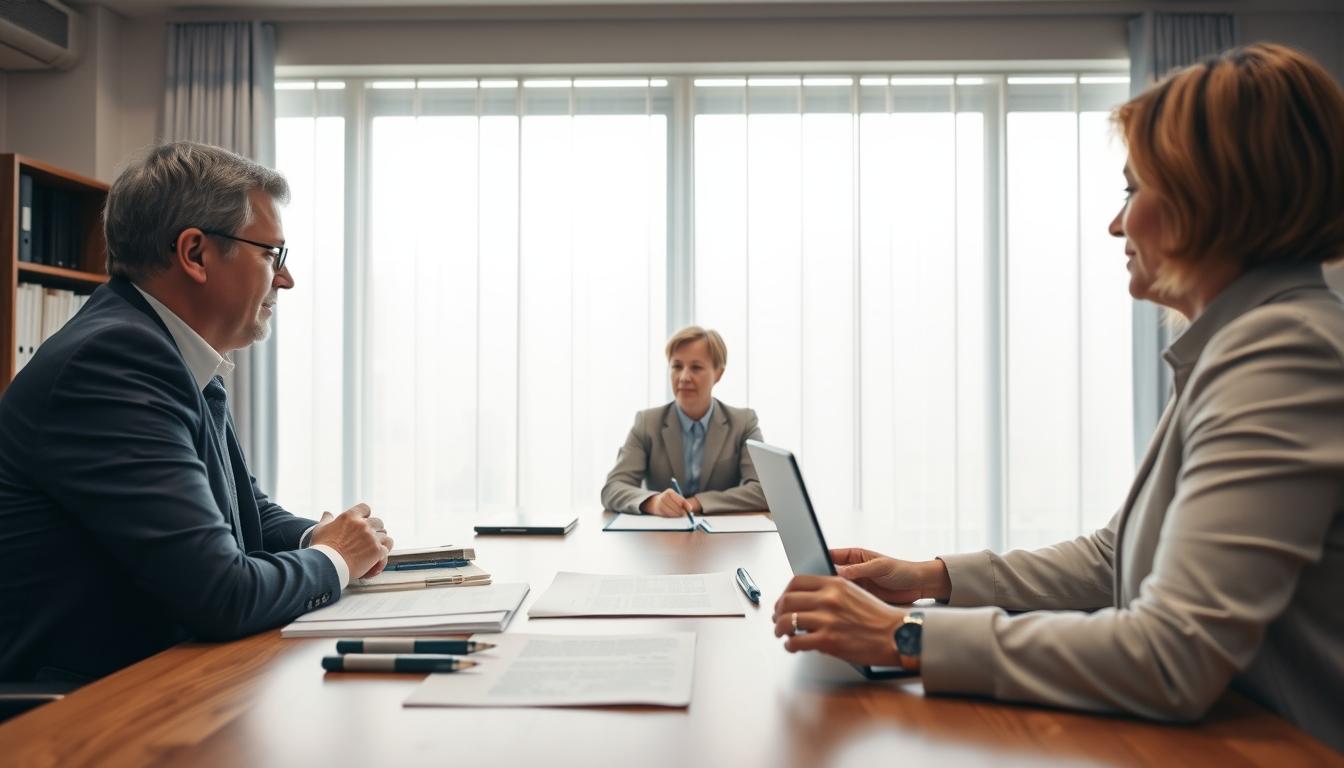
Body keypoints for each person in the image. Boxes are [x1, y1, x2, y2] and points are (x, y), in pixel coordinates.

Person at [772, 43, 1344, 751]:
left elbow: (1174, 655)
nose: (1116, 223)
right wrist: (929, 579)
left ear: (1213, 197)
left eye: (1134, 190)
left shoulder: (1281, 353)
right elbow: (1115, 560)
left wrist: (905, 634)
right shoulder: (1242, 342)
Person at [0, 142, 392, 683]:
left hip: (158, 680)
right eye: (270, 254)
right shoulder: (113, 362)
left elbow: (244, 515)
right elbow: (222, 593)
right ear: (195, 254)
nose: (286, 279)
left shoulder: (164, 349)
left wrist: (325, 540)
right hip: (84, 716)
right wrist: (335, 560)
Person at [601, 326, 767, 516]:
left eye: (696, 367)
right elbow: (612, 488)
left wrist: (696, 503)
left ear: (718, 374)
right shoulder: (647, 423)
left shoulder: (743, 423)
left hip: (723, 540)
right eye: (677, 366)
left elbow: (763, 491)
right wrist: (653, 502)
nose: (684, 377)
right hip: (662, 539)